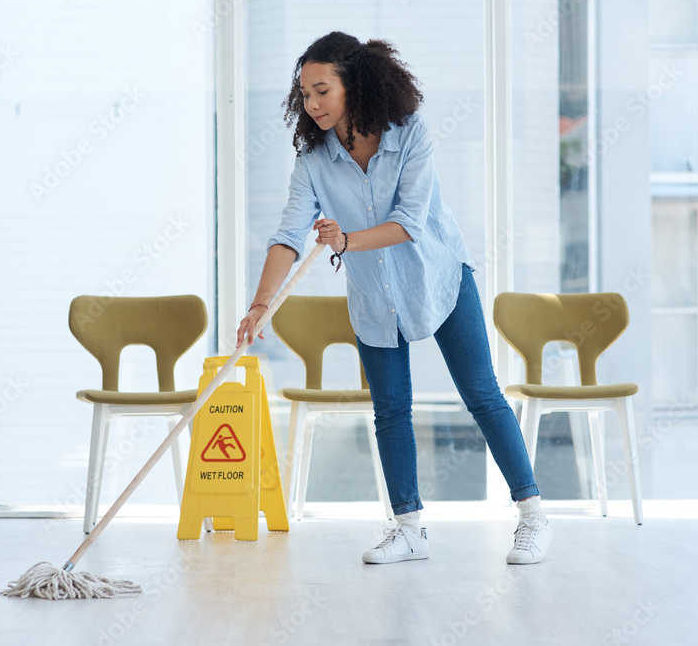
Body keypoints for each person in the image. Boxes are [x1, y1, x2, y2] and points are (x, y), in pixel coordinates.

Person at [236, 31, 551, 565]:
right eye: (304, 94)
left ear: (352, 85)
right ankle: (407, 528)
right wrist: (260, 305)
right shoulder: (314, 159)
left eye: (321, 91)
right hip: (373, 296)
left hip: (438, 278)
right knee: (390, 410)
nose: (311, 105)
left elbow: (408, 222)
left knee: (482, 394)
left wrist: (345, 241)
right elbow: (288, 233)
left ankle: (534, 517)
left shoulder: (410, 133)